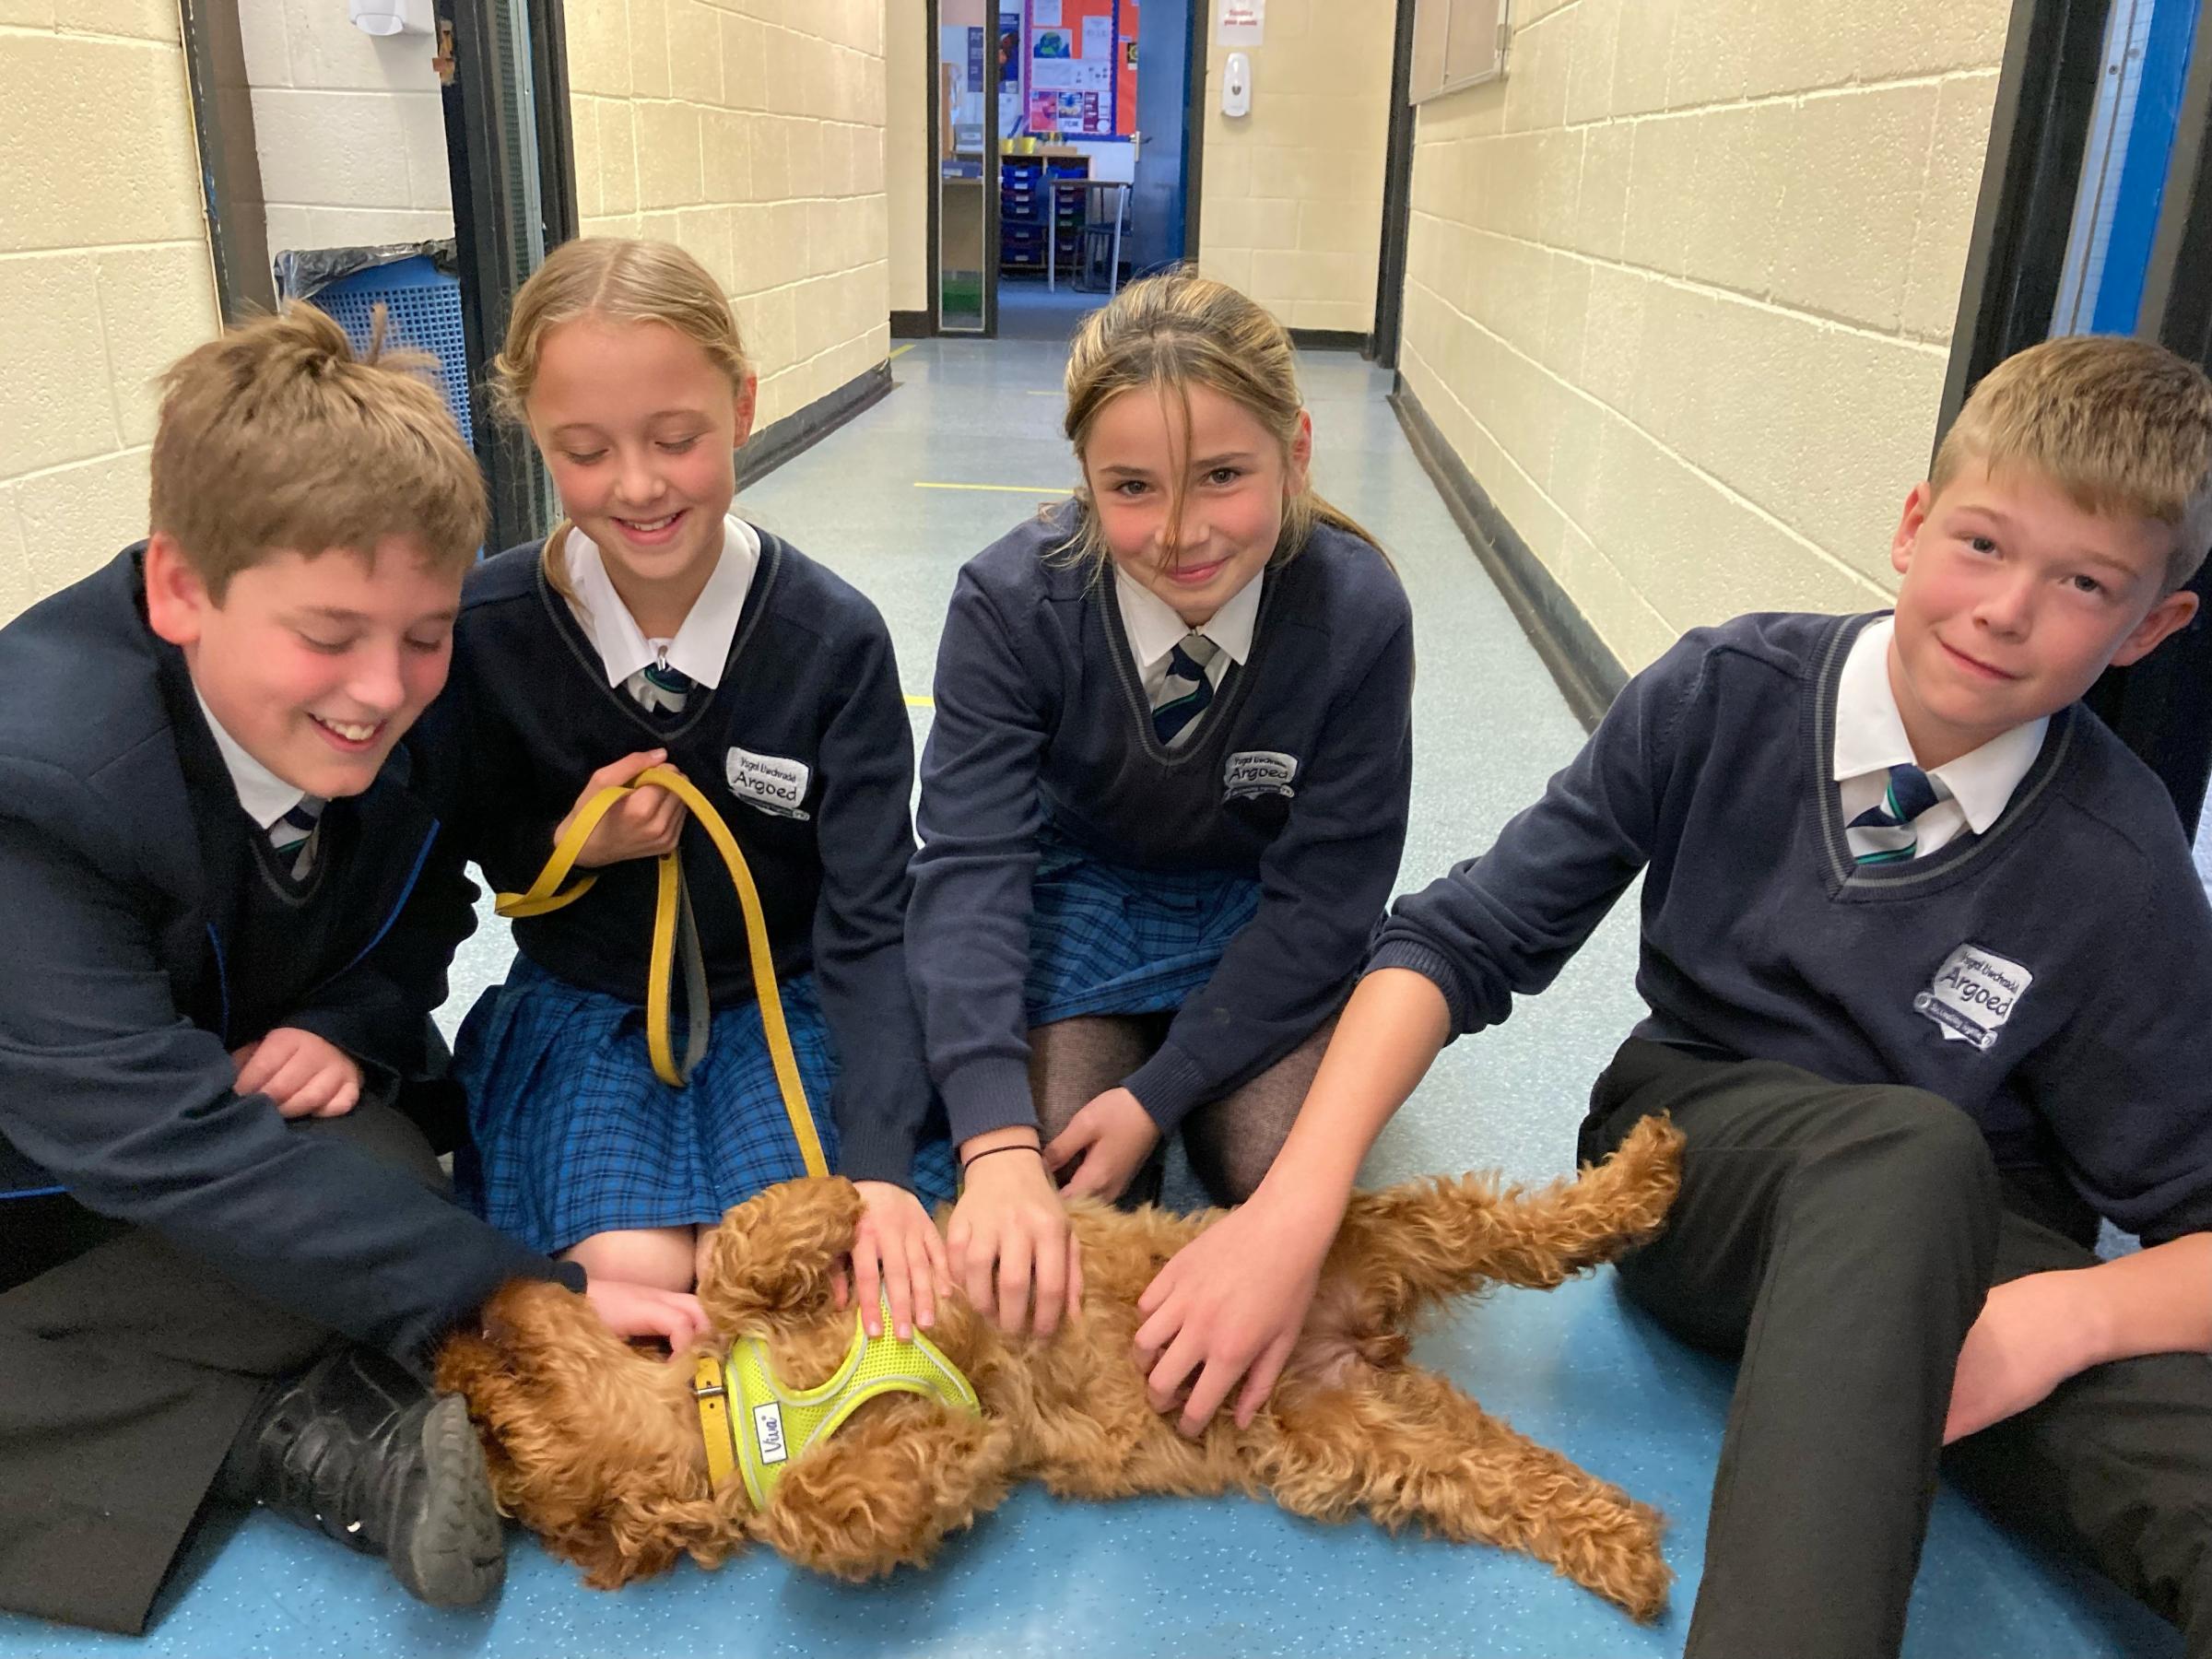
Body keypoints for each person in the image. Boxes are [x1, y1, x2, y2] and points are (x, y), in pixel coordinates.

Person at [1129, 334, 2212, 1655]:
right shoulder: (1728, 692)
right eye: (1983, 546)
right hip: (1697, 1160)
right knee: (1907, 1153)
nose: (2006, 610)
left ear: (2151, 628)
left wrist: (2071, 1314)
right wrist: (1295, 1206)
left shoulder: (2120, 856)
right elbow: (1461, 939)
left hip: (1962, 1242)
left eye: (2085, 582)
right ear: (1913, 526)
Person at [0, 306, 705, 1636]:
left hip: (177, 1163)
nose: (382, 690)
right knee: (388, 1239)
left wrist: (347, 1021)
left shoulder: (405, 694)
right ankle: (292, 1435)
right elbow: (156, 1144)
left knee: (379, 1164)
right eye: (328, 635)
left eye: (422, 636)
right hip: (63, 1168)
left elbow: (419, 913)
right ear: (177, 589)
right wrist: (527, 1291)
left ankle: (271, 1415)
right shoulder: (41, 786)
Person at [410, 238, 953, 1340]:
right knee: (639, 1281)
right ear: (536, 442)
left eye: (677, 438)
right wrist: (567, 846)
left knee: (789, 1273)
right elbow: (447, 859)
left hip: (788, 1008)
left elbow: (869, 920)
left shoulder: (831, 639)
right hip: (589, 1011)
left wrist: (883, 1162)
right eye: (586, 450)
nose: (641, 485)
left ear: (743, 407)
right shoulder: (488, 631)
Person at [908, 270, 1414, 1335]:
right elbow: (970, 871)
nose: (1180, 531)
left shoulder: (1358, 610)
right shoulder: (1011, 604)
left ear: (1300, 451)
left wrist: (1159, 1093)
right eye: (1131, 487)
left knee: (1271, 1160)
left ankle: (1175, 1070)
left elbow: (1329, 900)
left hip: (1255, 909)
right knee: (1059, 1175)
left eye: (1224, 475)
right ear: (1085, 475)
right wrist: (992, 1141)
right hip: (1078, 891)